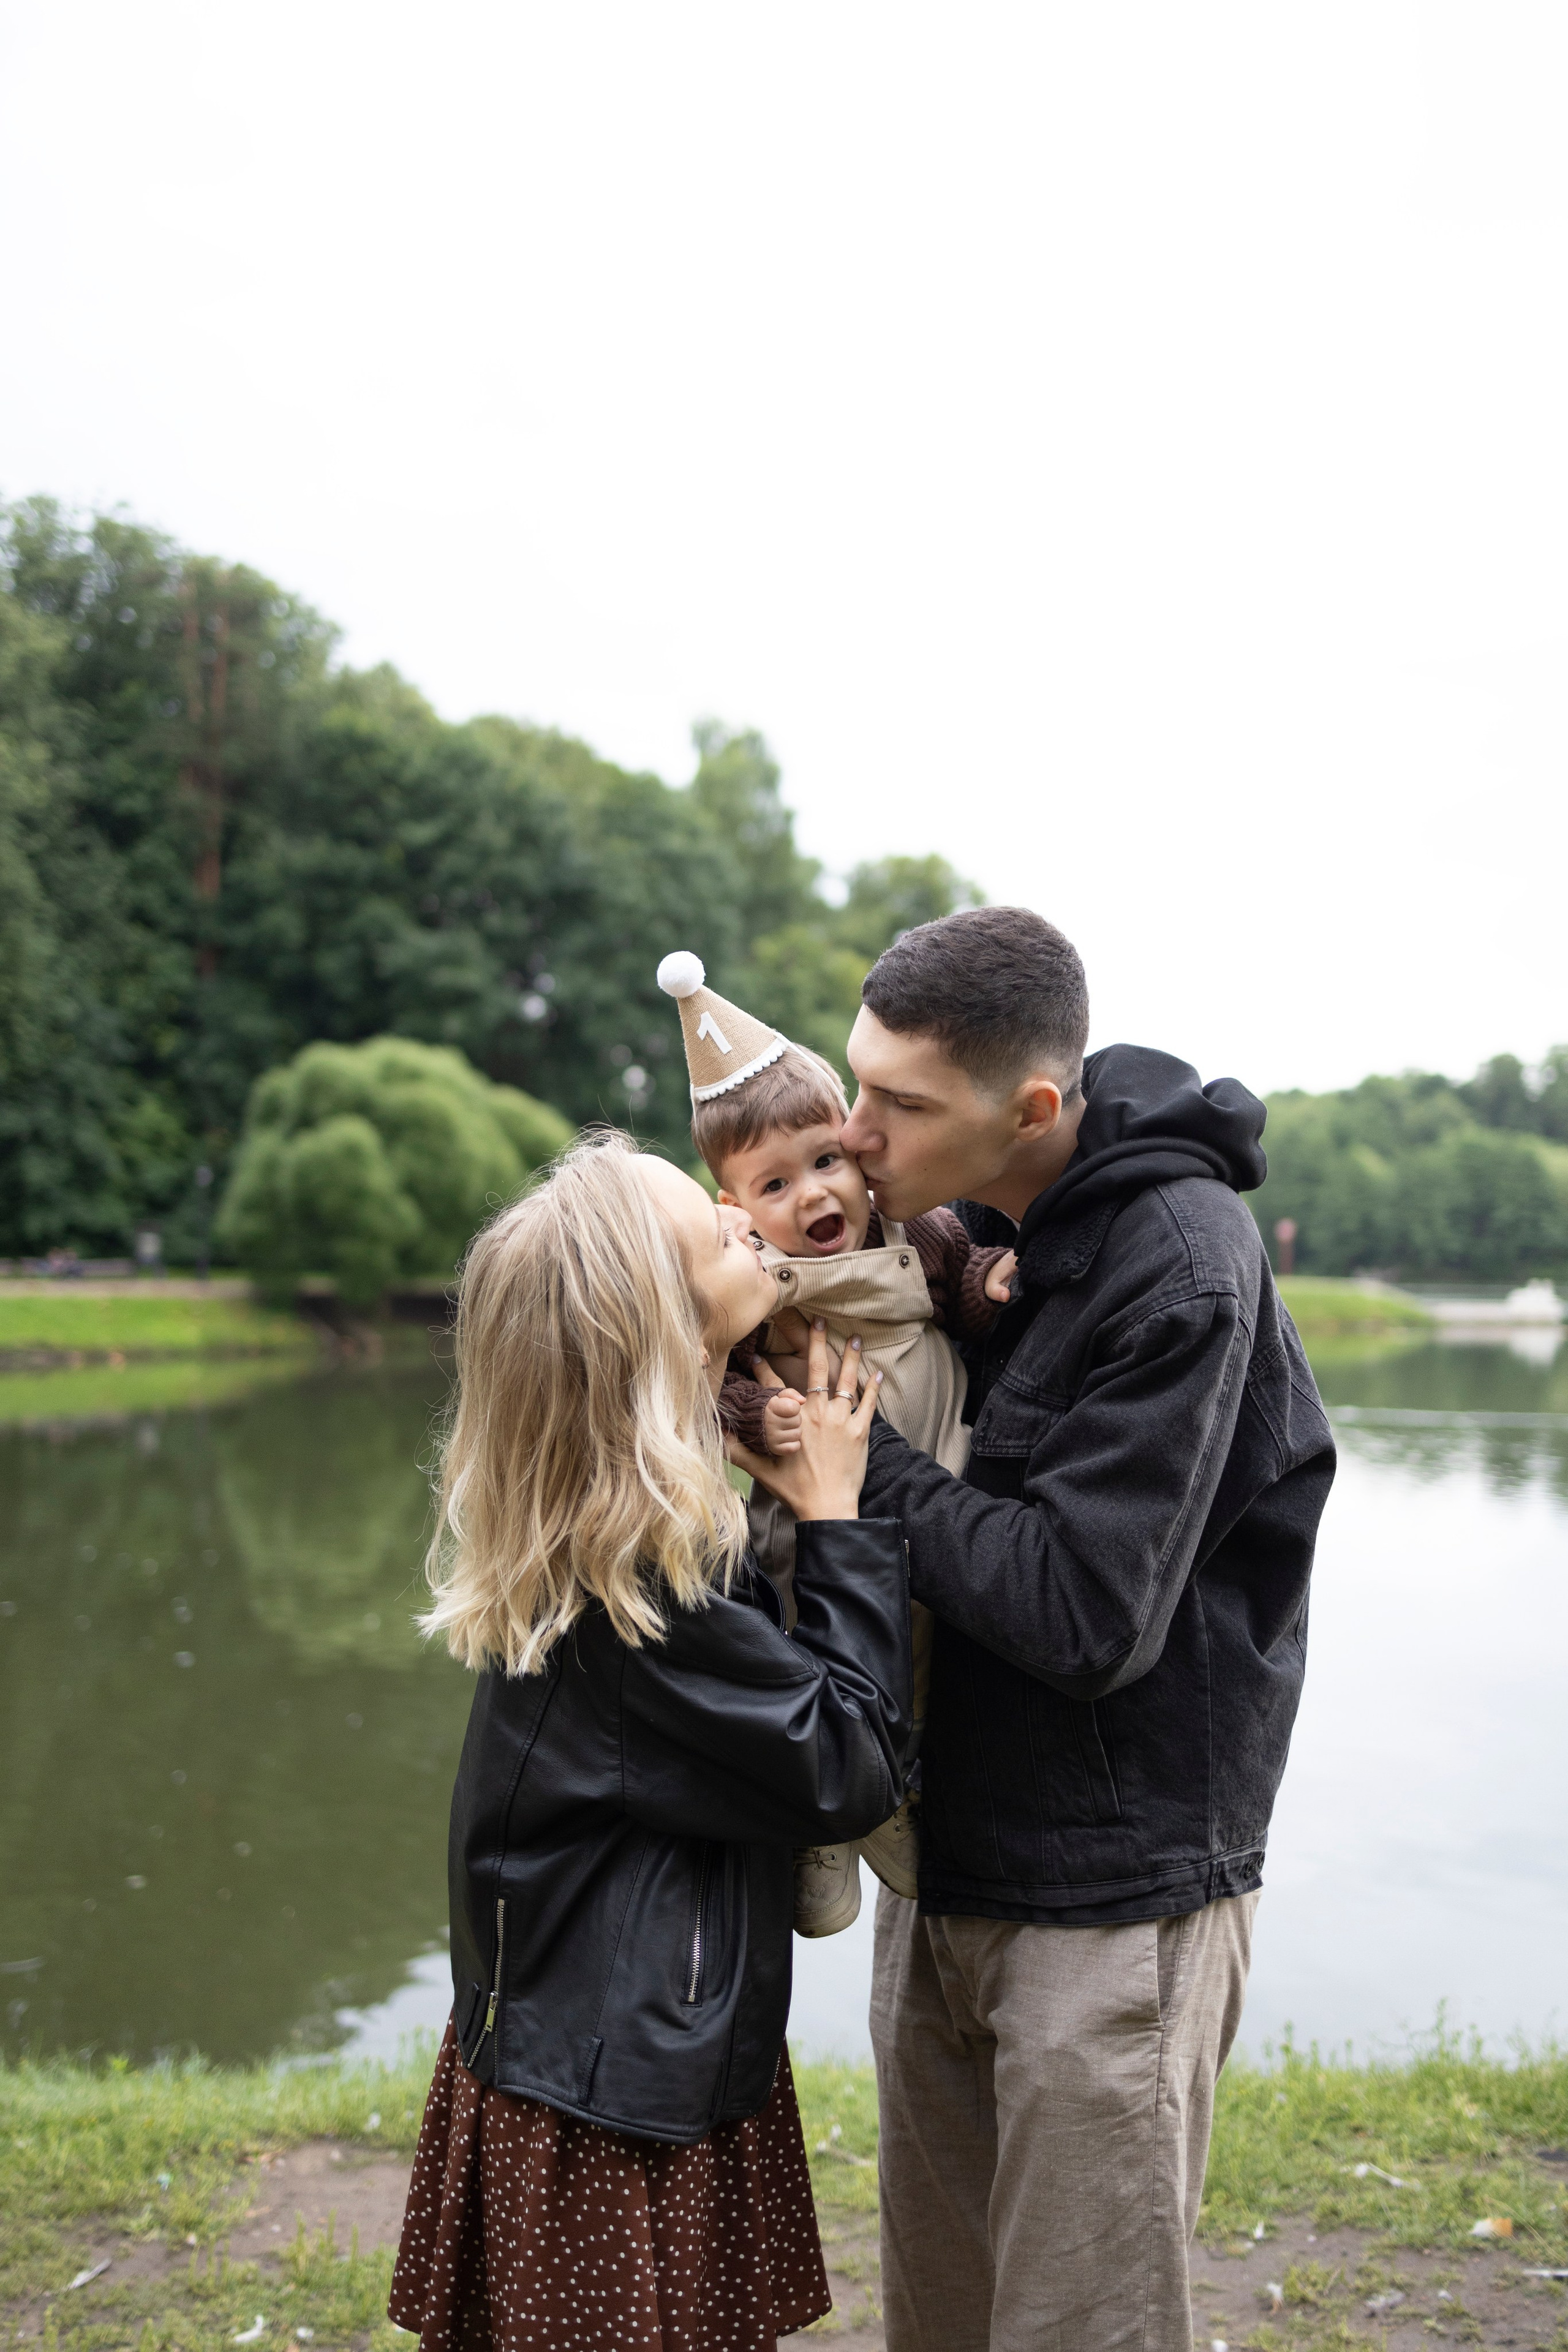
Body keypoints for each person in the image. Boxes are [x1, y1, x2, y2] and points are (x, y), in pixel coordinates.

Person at [831, 905, 1337, 2352]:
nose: (858, 1129)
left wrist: (854, 1460)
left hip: (1111, 1902)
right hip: (945, 1858)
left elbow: (1080, 1608)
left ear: (1032, 1107)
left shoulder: (1179, 1262)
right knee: (941, 2318)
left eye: (898, 1103)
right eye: (859, 1081)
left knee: (1076, 2329)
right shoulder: (981, 1213)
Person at [388, 1131, 910, 2352]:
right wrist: (836, 1521)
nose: (743, 1218)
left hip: (604, 2059)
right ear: (658, 1329)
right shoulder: (638, 1576)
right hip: (615, 2109)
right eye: (709, 1230)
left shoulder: (613, 1521)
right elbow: (843, 1762)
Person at [654, 949, 1016, 1938]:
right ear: (735, 1210)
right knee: (833, 1643)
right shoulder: (750, 1276)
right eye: (776, 1183)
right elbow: (706, 1370)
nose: (815, 1194)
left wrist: (990, 1287)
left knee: (931, 1655)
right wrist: (748, 1416)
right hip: (818, 1505)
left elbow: (964, 1280)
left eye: (826, 1160)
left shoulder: (918, 1233)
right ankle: (820, 1829)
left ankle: (895, 1800)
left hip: (935, 1478)